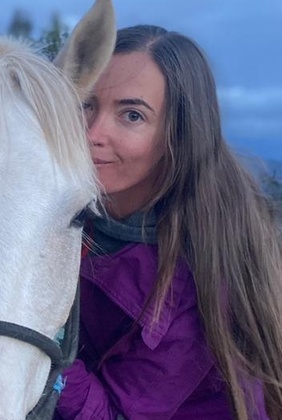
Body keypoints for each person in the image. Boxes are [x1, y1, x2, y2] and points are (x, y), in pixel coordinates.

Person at [55, 25, 282, 420]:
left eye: (131, 115)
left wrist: (39, 334)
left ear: (177, 137)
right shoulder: (78, 214)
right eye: (86, 105)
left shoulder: (202, 270)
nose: (91, 133)